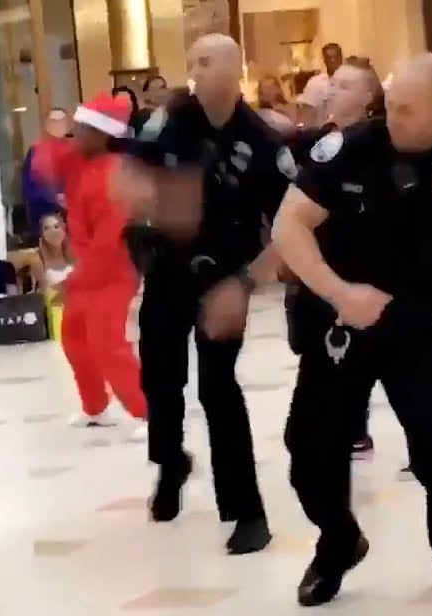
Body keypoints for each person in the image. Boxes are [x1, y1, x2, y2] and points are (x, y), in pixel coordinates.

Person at [269, 53, 432, 616]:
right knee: (310, 453)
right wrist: (340, 293)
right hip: (344, 321)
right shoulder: (349, 150)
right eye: (391, 105)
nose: (394, 117)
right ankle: (338, 540)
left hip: (419, 329)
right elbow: (288, 226)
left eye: (409, 109)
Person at [113, 34, 290, 555]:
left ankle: (246, 510)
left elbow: (290, 228)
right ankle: (170, 463)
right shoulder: (171, 118)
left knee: (218, 388)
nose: (195, 69)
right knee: (160, 378)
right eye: (191, 61)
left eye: (207, 61)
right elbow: (132, 169)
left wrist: (247, 283)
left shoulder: (261, 141)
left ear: (236, 70)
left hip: (223, 279)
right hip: (168, 269)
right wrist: (137, 194)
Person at [279, 62, 385, 460]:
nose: (333, 91)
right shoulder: (313, 144)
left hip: (357, 267)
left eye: (345, 85)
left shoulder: (380, 145)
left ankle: (353, 429)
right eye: (333, 84)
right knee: (313, 351)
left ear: (368, 96)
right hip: (313, 266)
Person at [33, 93, 148, 432]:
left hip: (113, 272)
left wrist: (73, 281)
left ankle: (149, 413)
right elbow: (42, 165)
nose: (74, 134)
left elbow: (109, 242)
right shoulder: (80, 161)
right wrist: (52, 132)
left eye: (81, 129)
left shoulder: (114, 176)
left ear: (102, 135)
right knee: (74, 338)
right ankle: (95, 406)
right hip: (88, 270)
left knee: (107, 344)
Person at [21, 108, 69, 238]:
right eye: (54, 121)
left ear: (67, 124)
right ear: (47, 125)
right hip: (44, 219)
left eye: (61, 121)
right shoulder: (35, 151)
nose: (58, 125)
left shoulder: (76, 151)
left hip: (73, 221)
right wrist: (54, 198)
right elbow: (28, 188)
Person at [298, 42, 344, 124]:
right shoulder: (314, 83)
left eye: (336, 57)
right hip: (323, 128)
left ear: (341, 58)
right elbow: (307, 113)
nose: (333, 61)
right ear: (324, 60)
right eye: (329, 58)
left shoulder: (352, 81)